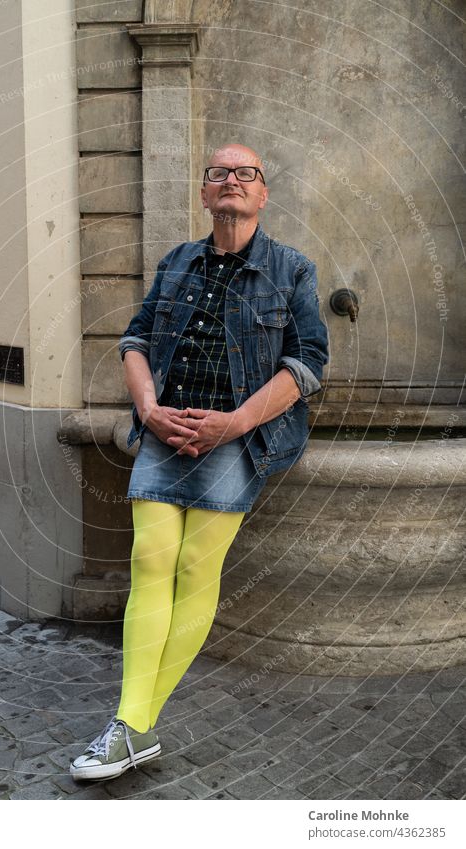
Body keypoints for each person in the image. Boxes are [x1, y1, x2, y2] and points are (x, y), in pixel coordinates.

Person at [70, 143, 329, 781]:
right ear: (205, 193)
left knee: (193, 564)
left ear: (263, 194)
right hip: (167, 429)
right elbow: (134, 339)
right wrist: (151, 411)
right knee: (150, 560)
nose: (232, 180)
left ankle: (131, 727)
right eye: (220, 173)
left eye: (247, 173)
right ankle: (134, 726)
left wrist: (236, 422)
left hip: (238, 438)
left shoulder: (292, 269)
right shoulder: (178, 261)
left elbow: (307, 365)